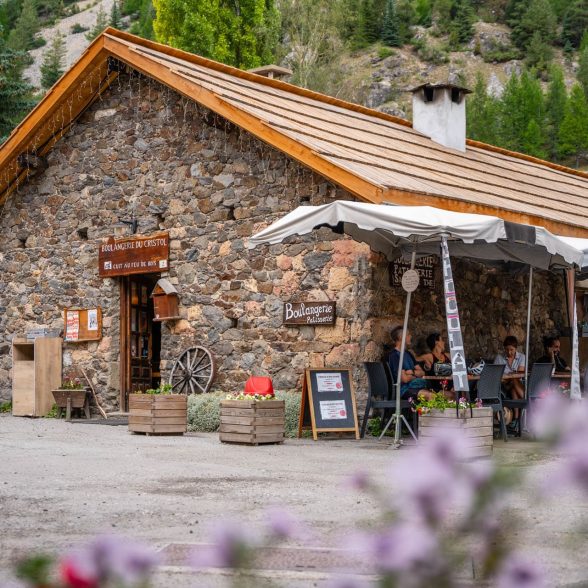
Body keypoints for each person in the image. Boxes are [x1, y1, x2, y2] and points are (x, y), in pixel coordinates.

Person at [388, 326, 435, 401]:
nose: (411, 336)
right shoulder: (394, 356)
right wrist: (415, 375)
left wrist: (411, 372)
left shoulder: (408, 353)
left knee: (447, 395)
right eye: (408, 334)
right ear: (401, 337)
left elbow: (422, 372)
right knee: (431, 396)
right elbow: (405, 379)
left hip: (417, 386)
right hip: (404, 390)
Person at [494, 335, 526, 427]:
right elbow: (496, 375)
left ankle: (516, 418)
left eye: (511, 350)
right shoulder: (499, 358)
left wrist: (510, 376)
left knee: (514, 383)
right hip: (504, 385)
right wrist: (511, 376)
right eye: (507, 349)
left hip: (516, 384)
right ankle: (526, 398)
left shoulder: (522, 357)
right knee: (513, 379)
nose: (509, 352)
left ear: (516, 348)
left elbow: (520, 374)